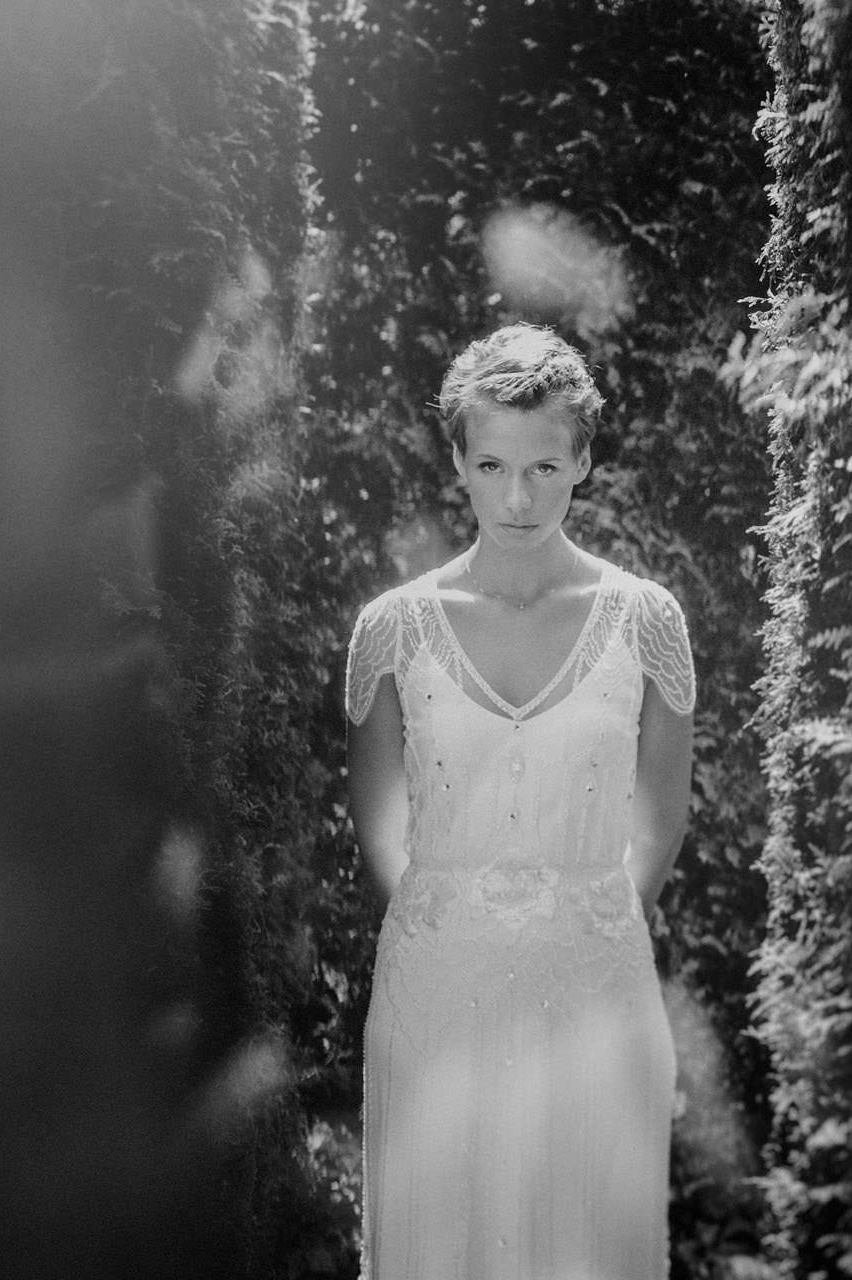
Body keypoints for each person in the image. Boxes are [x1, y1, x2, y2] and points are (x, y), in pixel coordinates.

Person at [343, 323, 695, 1279]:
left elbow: (662, 813)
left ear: (582, 458)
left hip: (597, 989)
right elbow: (380, 821)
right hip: (435, 992)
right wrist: (441, 932)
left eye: (544, 465)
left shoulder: (647, 619)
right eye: (492, 463)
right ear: (457, 458)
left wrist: (596, 929)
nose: (517, 495)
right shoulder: (391, 629)